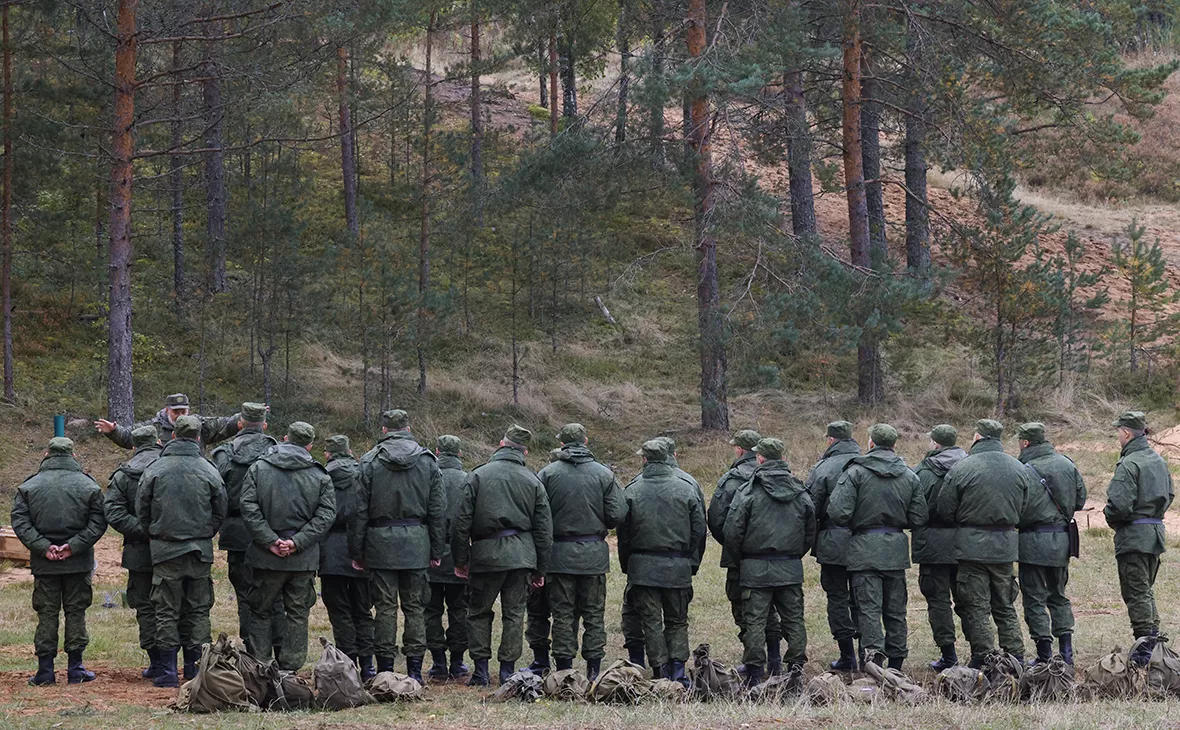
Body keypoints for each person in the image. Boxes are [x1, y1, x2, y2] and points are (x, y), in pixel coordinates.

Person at [452, 425, 553, 687]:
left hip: (485, 556)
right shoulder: (533, 480)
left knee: (478, 613)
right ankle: (507, 671)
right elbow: (544, 530)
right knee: (514, 614)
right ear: (525, 451)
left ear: (501, 444)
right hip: (521, 558)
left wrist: (461, 560)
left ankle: (481, 671)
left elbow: (461, 522)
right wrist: (541, 570)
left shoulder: (477, 476)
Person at [350, 409, 446, 683]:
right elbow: (437, 510)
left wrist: (357, 552)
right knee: (415, 606)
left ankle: (385, 670)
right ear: (408, 428)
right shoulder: (428, 462)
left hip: (380, 544)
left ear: (384, 430)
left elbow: (358, 511)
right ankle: (415, 670)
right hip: (416, 542)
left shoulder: (369, 461)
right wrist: (436, 549)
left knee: (385, 607)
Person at [136, 416, 227, 687]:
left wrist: (155, 532)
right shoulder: (209, 469)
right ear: (199, 438)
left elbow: (142, 509)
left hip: (165, 550)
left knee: (165, 609)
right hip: (199, 550)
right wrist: (204, 532)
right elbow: (220, 509)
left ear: (172, 436)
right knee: (198, 609)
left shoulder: (155, 468)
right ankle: (194, 669)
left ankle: (166, 672)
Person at [827, 424, 926, 670]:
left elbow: (838, 512)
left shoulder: (856, 473)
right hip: (895, 551)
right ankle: (897, 666)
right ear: (894, 445)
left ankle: (873, 665)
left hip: (864, 550)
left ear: (871, 443)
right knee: (896, 610)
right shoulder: (909, 475)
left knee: (868, 609)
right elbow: (919, 518)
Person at [11, 437, 107, 686]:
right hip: (78, 561)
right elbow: (98, 521)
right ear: (73, 456)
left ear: (46, 454)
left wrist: (44, 548)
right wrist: (73, 547)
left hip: (45, 563)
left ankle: (45, 671)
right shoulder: (88, 486)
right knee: (76, 611)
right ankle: (76, 669)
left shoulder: (29, 486)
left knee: (47, 613)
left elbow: (20, 522)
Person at [240, 422, 336, 671]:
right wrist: (297, 542)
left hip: (265, 556)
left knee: (260, 610)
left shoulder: (259, 469)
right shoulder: (320, 475)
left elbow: (248, 507)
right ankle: (290, 670)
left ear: (284, 438)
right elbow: (326, 516)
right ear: (310, 445)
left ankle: (260, 665)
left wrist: (270, 541)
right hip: (301, 559)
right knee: (297, 613)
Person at [936, 419, 1030, 667]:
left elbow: (945, 509)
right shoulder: (1020, 468)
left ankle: (984, 659)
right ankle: (1016, 656)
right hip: (1005, 547)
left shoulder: (962, 468)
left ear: (977, 438)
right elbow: (1026, 507)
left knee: (976, 606)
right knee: (1005, 603)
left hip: (972, 548)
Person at [537, 423, 626, 681]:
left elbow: (538, 515)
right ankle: (594, 671)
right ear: (585, 441)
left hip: (558, 555)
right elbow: (617, 514)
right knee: (594, 614)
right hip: (593, 557)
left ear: (562, 444)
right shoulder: (604, 474)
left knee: (563, 613)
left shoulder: (547, 474)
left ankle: (564, 671)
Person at [723, 438, 815, 686]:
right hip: (789, 567)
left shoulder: (748, 491)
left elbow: (733, 532)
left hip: (756, 568)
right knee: (794, 620)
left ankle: (754, 673)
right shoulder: (800, 491)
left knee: (755, 621)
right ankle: (795, 671)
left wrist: (745, 557)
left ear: (760, 458)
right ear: (782, 458)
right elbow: (810, 530)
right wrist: (793, 554)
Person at [617, 439, 705, 687]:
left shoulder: (632, 489)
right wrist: (689, 562)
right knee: (677, 620)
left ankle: (659, 671)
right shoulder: (687, 488)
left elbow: (623, 535)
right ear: (669, 457)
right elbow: (698, 531)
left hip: (642, 568)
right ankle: (677, 671)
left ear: (645, 459)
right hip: (677, 565)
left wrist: (629, 566)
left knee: (651, 621)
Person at [209, 402, 281, 657]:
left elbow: (214, 494)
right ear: (264, 425)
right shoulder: (277, 452)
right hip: (272, 531)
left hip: (236, 531)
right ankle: (278, 651)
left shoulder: (223, 454)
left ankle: (252, 649)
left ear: (239, 424)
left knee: (245, 593)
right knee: (275, 592)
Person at [709, 429, 783, 673]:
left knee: (744, 609)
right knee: (770, 607)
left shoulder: (731, 479)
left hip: (742, 558)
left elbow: (717, 520)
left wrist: (735, 546)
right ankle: (774, 659)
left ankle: (753, 664)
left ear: (741, 450)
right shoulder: (781, 476)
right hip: (778, 556)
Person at [1104, 411, 1174, 666]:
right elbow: (1170, 494)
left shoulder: (1129, 463)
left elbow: (1119, 506)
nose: (1117, 437)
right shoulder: (1158, 460)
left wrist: (1111, 518)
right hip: (1154, 533)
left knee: (1136, 592)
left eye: (1118, 432)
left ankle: (1145, 648)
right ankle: (1152, 642)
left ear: (1126, 433)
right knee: (1145, 591)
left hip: (1134, 536)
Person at [1016, 422, 1086, 665]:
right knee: (1059, 595)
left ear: (1025, 443)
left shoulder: (1022, 469)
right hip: (1061, 541)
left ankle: (1044, 654)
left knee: (1034, 597)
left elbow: (1017, 508)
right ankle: (1066, 654)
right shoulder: (1067, 463)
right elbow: (1080, 500)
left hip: (1031, 542)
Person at [104, 426, 165, 680]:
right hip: (174, 548)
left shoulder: (123, 474)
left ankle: (157, 662)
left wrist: (143, 530)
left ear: (133, 447)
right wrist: (163, 530)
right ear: (159, 442)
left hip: (138, 550)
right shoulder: (171, 467)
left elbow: (114, 512)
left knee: (145, 605)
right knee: (176, 604)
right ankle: (184, 663)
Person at [805, 420, 863, 672]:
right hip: (865, 542)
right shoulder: (866, 464)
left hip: (833, 543)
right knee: (865, 599)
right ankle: (869, 655)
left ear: (830, 440)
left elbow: (811, 508)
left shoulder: (823, 468)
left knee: (837, 597)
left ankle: (847, 656)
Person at [319, 435, 376, 680]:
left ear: (328, 454)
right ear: (350, 451)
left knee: (339, 610)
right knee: (363, 609)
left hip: (331, 549)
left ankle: (348, 662)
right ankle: (368, 665)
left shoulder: (322, 474)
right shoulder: (364, 472)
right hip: (362, 547)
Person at [912, 424, 968, 670]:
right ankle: (980, 651)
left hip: (932, 545)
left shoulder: (923, 471)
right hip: (964, 543)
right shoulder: (969, 466)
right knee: (968, 600)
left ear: (935, 443)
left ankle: (949, 655)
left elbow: (912, 504)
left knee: (938, 601)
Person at [425, 435, 470, 680]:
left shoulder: (427, 477)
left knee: (430, 610)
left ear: (437, 451)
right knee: (459, 609)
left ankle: (438, 663)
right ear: (460, 454)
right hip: (459, 555)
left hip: (430, 554)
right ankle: (458, 662)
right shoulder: (469, 480)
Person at [94, 392, 239, 449]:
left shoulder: (200, 425)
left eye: (184, 411)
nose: (181, 415)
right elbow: (129, 437)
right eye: (176, 411)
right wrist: (114, 431)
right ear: (167, 409)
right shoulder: (155, 427)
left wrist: (250, 414)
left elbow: (226, 424)